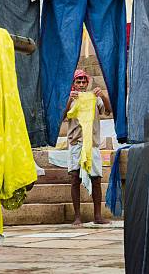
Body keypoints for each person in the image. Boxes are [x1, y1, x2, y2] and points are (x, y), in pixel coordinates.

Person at [64, 69, 111, 226]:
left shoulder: (94, 98)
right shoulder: (70, 98)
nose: (82, 84)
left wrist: (102, 95)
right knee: (74, 178)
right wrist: (68, 100)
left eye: (84, 82)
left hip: (92, 144)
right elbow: (62, 117)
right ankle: (77, 216)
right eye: (79, 82)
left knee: (96, 179)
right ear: (74, 84)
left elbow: (109, 110)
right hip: (76, 143)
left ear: (88, 82)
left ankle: (98, 215)